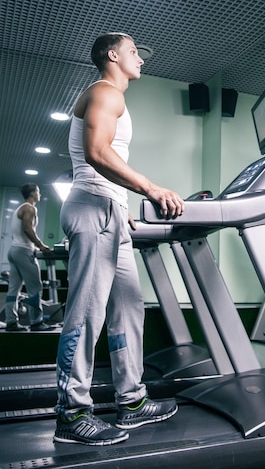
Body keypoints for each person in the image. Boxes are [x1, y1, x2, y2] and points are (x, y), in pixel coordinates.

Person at [54, 32, 185, 446]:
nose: (140, 59)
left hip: (109, 208)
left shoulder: (113, 97)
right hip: (93, 208)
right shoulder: (106, 92)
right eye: (133, 52)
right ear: (113, 56)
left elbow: (104, 159)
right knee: (86, 314)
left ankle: (131, 401)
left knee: (129, 307)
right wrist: (150, 188)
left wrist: (121, 201)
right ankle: (71, 413)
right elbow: (96, 150)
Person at [5, 183, 54, 332]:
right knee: (35, 288)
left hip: (13, 250)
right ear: (33, 193)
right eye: (38, 191)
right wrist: (41, 246)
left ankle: (11, 322)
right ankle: (36, 322)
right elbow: (28, 229)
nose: (40, 194)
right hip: (24, 251)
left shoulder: (19, 208)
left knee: (13, 289)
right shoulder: (30, 208)